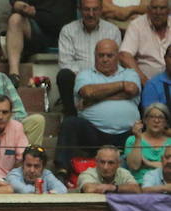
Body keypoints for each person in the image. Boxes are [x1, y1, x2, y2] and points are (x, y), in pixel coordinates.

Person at [55, 40, 142, 176]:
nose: (105, 59)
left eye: (109, 55)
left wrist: (94, 99)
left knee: (153, 120)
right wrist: (121, 85)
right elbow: (88, 92)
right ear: (95, 56)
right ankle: (62, 171)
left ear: (118, 57)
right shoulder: (85, 75)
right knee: (70, 123)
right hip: (94, 133)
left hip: (127, 134)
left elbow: (131, 89)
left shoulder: (130, 74)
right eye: (101, 55)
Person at [57, 0, 121, 117]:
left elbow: (115, 63)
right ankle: (72, 116)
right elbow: (65, 64)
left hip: (105, 80)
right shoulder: (68, 31)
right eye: (86, 9)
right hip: (78, 82)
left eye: (95, 9)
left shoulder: (113, 30)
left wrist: (97, 84)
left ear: (101, 10)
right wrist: (85, 81)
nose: (91, 14)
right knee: (64, 75)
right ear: (80, 10)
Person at [4, 0, 77, 88]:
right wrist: (19, 6)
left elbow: (60, 20)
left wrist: (34, 14)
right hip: (36, 31)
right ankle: (14, 76)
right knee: (15, 19)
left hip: (61, 34)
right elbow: (18, 4)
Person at [119, 0, 171, 85]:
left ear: (169, 10)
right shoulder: (137, 25)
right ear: (148, 10)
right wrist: (146, 82)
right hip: (146, 83)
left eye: (162, 8)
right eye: (154, 8)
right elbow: (124, 55)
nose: (158, 12)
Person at [123, 101, 171, 182]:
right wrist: (138, 139)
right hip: (139, 185)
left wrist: (148, 163)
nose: (156, 120)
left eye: (161, 117)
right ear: (145, 120)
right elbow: (134, 166)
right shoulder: (132, 140)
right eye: (152, 116)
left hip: (164, 186)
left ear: (166, 122)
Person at [76, 145, 141, 193]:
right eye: (102, 162)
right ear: (96, 161)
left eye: (111, 163)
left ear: (119, 163)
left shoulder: (123, 173)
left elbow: (136, 189)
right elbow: (89, 189)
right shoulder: (88, 173)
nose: (105, 167)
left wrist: (113, 188)